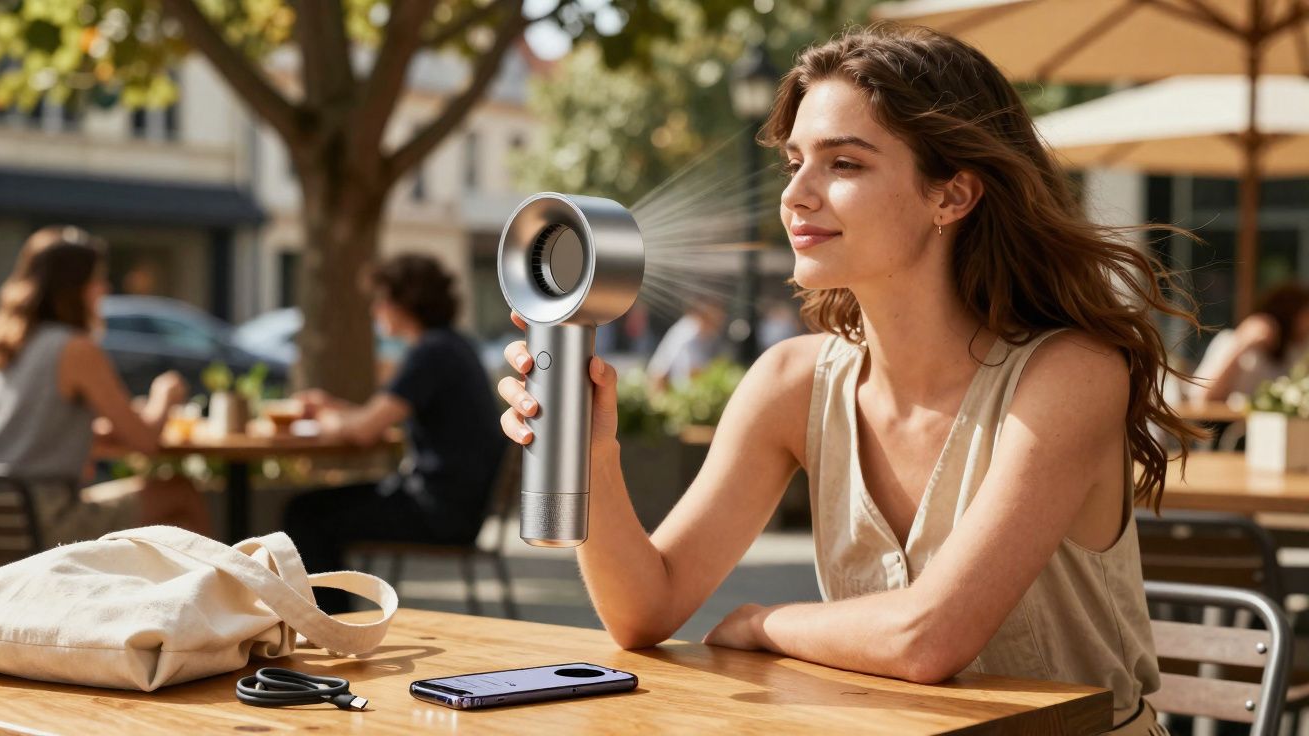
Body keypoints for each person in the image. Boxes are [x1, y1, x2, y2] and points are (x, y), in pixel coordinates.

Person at [496, 23, 1201, 735]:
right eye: (794, 162)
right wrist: (595, 458)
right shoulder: (791, 383)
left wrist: (764, 622)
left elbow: (927, 638)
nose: (797, 195)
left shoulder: (1069, 376)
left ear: (951, 196)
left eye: (845, 165)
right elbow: (644, 611)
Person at [283, 253, 505, 613]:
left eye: (380, 300)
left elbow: (364, 432)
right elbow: (375, 417)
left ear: (404, 303)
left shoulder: (430, 353)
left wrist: (324, 421)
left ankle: (332, 629)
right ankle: (332, 624)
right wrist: (333, 408)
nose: (375, 310)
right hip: (456, 506)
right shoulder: (453, 345)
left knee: (306, 514)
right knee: (312, 510)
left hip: (439, 512)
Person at [0, 226, 206, 544]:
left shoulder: (14, 342)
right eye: (97, 279)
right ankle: (233, 593)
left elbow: (28, 434)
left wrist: (93, 435)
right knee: (180, 494)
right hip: (45, 515)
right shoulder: (76, 347)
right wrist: (164, 396)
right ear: (75, 286)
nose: (105, 288)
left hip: (9, 514)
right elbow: (145, 441)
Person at [1185, 282, 1309, 403]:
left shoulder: (1294, 354)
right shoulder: (1232, 341)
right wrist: (1242, 343)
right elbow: (1202, 397)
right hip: (1223, 422)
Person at [645, 298, 727, 392]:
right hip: (673, 395)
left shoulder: (712, 336)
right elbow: (658, 372)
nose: (720, 319)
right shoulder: (687, 333)